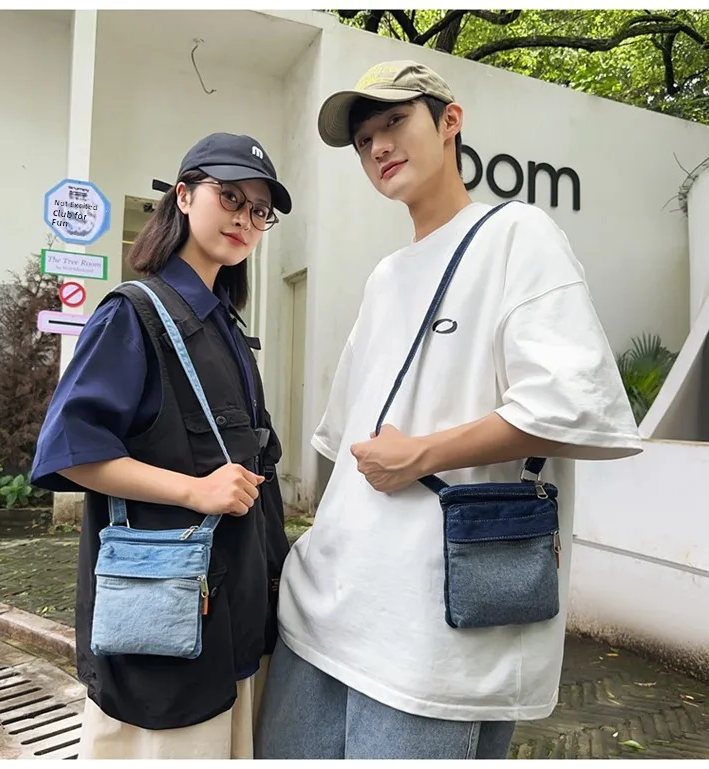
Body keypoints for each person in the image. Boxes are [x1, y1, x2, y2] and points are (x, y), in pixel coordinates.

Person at [255, 60, 643, 760]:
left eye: (394, 121)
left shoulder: (517, 234)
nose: (378, 146)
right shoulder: (385, 277)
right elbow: (347, 440)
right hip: (323, 611)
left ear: (449, 121)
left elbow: (572, 404)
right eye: (363, 139)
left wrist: (423, 455)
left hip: (435, 634)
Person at [30, 132, 292, 759]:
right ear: (184, 195)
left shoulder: (224, 325)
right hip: (163, 622)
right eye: (230, 196)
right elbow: (70, 449)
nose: (245, 218)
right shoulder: (135, 314)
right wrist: (194, 491)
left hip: (230, 610)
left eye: (260, 210)